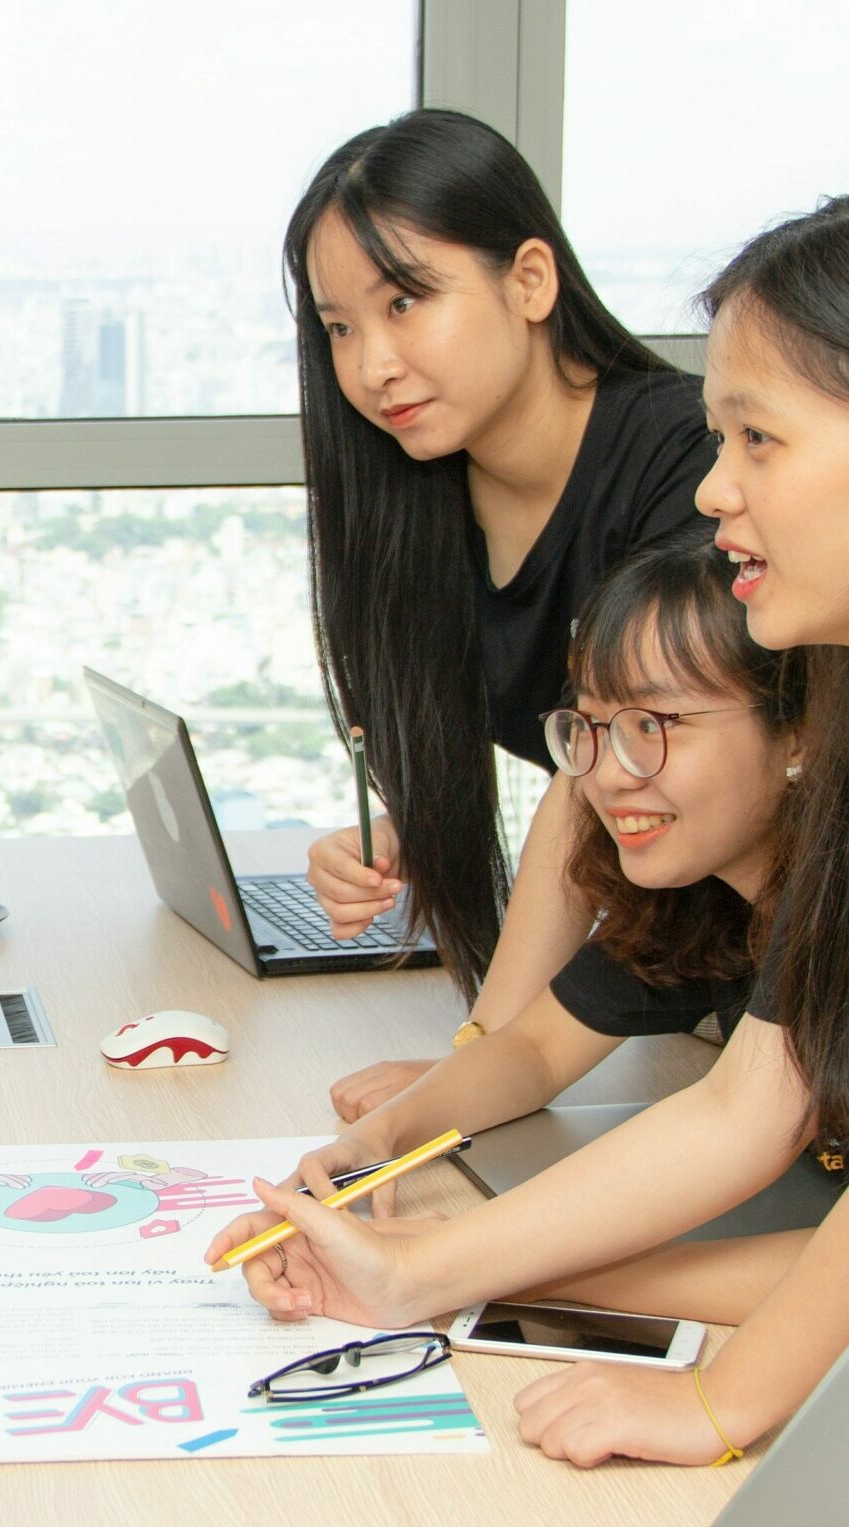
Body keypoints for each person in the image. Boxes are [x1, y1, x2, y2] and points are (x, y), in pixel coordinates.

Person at [208, 181, 849, 1470]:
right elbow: (748, 1102)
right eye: (716, 441)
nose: (711, 493)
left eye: (759, 442)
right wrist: (414, 1273)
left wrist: (715, 1406)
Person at [286, 108, 715, 1112]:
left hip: (756, 970)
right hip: (657, 987)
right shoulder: (416, 495)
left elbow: (598, 776)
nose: (370, 365)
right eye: (340, 328)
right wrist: (410, 824)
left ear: (528, 279)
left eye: (405, 302)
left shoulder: (685, 465)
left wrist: (487, 1055)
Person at [294, 531, 814, 1295]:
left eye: (655, 725)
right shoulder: (704, 892)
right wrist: (386, 1133)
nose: (607, 774)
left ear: (799, 730)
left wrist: (462, 1265)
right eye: (593, 729)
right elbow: (537, 1048)